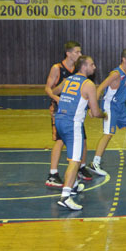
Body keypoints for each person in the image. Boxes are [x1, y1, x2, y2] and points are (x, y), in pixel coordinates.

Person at [51, 56, 105, 210]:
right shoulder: (88, 84)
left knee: (72, 155)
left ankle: (73, 185)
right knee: (75, 160)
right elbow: (95, 112)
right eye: (92, 64)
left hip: (59, 120)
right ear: (84, 66)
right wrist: (104, 115)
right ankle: (65, 197)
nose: (94, 67)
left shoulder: (68, 80)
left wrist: (63, 101)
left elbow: (54, 91)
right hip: (72, 124)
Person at [44, 41, 93, 188]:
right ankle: (52, 174)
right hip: (60, 111)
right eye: (77, 52)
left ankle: (80, 167)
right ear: (68, 53)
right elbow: (47, 88)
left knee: (83, 139)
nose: (79, 54)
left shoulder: (78, 70)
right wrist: (56, 98)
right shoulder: (57, 68)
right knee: (60, 141)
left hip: (75, 111)